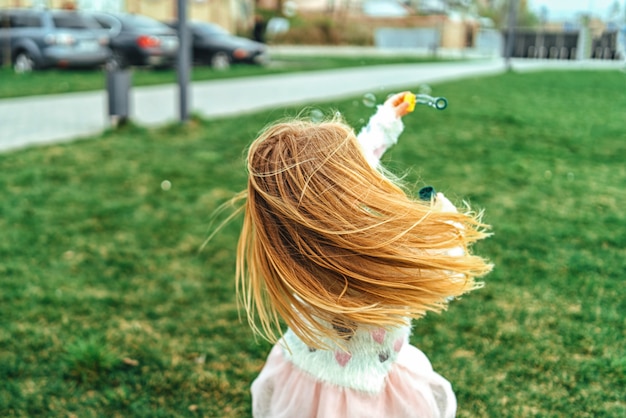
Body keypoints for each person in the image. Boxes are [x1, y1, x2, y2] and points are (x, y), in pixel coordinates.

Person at [234, 92, 493, 417]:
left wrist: (384, 123)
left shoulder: (295, 251)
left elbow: (332, 176)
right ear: (345, 189)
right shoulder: (379, 263)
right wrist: (447, 228)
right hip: (372, 395)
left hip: (304, 376)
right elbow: (448, 272)